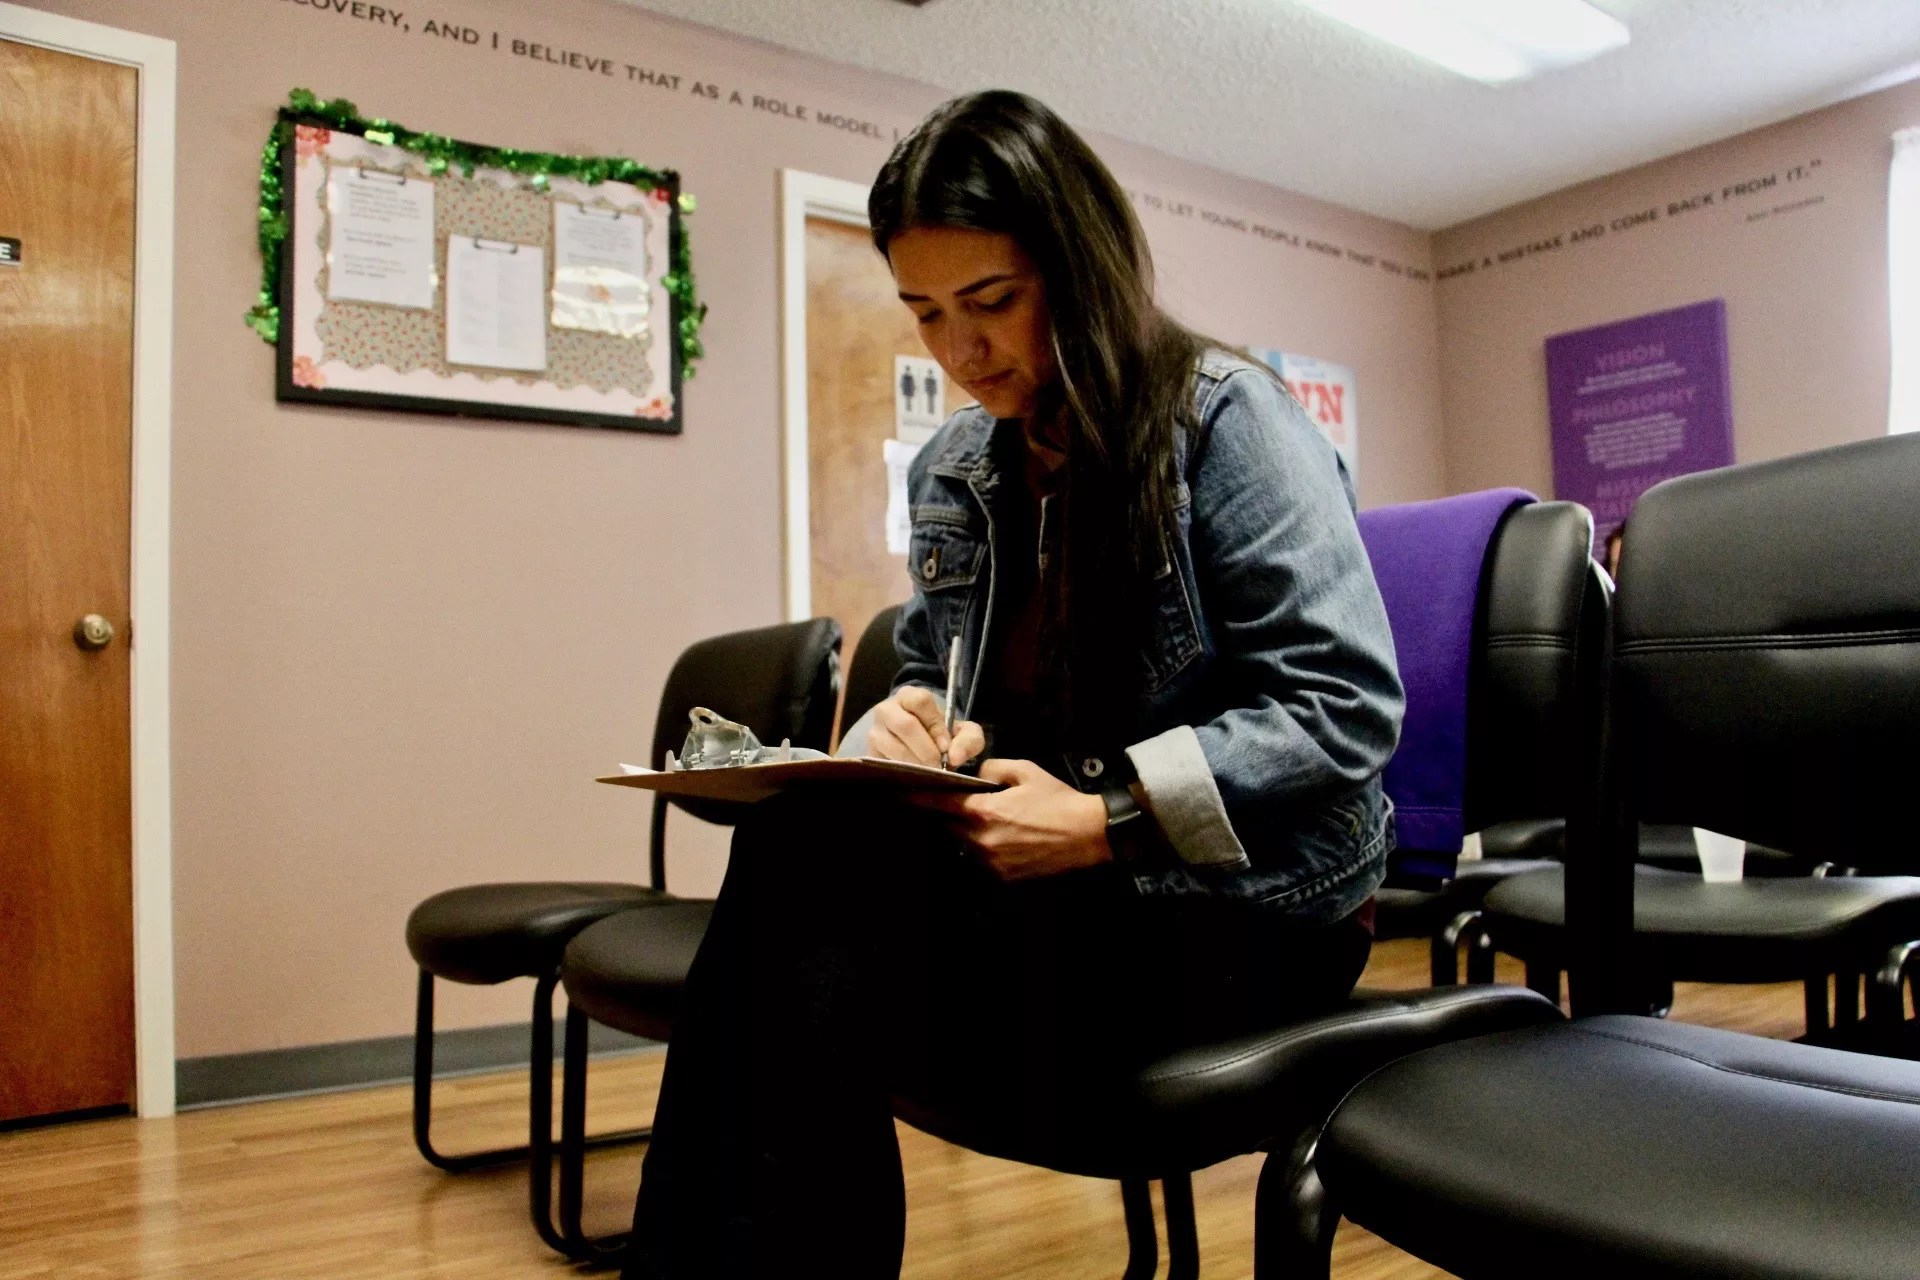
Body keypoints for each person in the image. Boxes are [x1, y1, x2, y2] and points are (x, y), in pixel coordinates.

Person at [622, 90, 1404, 1279]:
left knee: (802, 929)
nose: (959, 351)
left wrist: (1111, 817)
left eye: (991, 302)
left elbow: (1344, 702)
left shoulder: (1228, 424)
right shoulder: (957, 464)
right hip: (1061, 893)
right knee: (803, 857)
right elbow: (951, 663)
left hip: (1249, 910)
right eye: (926, 313)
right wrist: (916, 714)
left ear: (1078, 269)